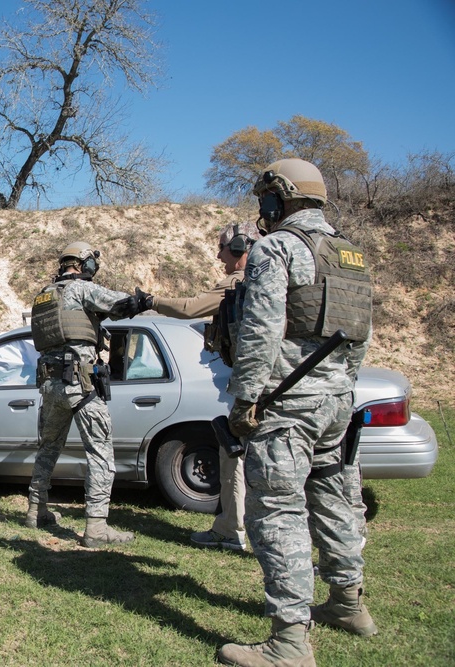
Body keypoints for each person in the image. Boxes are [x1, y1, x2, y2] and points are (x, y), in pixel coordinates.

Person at [218, 159, 376, 667]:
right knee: (335, 499)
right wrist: (341, 391)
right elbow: (360, 335)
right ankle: (348, 604)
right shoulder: (351, 254)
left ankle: (289, 643)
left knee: (279, 512)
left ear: (276, 198)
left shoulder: (277, 247)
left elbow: (261, 329)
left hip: (287, 405)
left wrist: (246, 400)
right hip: (336, 402)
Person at [139, 221, 262, 552]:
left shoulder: (240, 282)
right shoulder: (277, 279)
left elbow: (190, 308)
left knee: (232, 459)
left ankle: (230, 531)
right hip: (272, 382)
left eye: (222, 247)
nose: (219, 254)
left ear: (239, 248)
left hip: (252, 385)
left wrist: (151, 300)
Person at [26, 242, 146, 548]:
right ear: (84, 264)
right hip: (80, 385)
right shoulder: (80, 289)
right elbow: (118, 303)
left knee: (48, 449)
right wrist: (141, 300)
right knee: (100, 453)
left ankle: (36, 510)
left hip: (50, 385)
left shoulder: (43, 295)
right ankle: (96, 528)